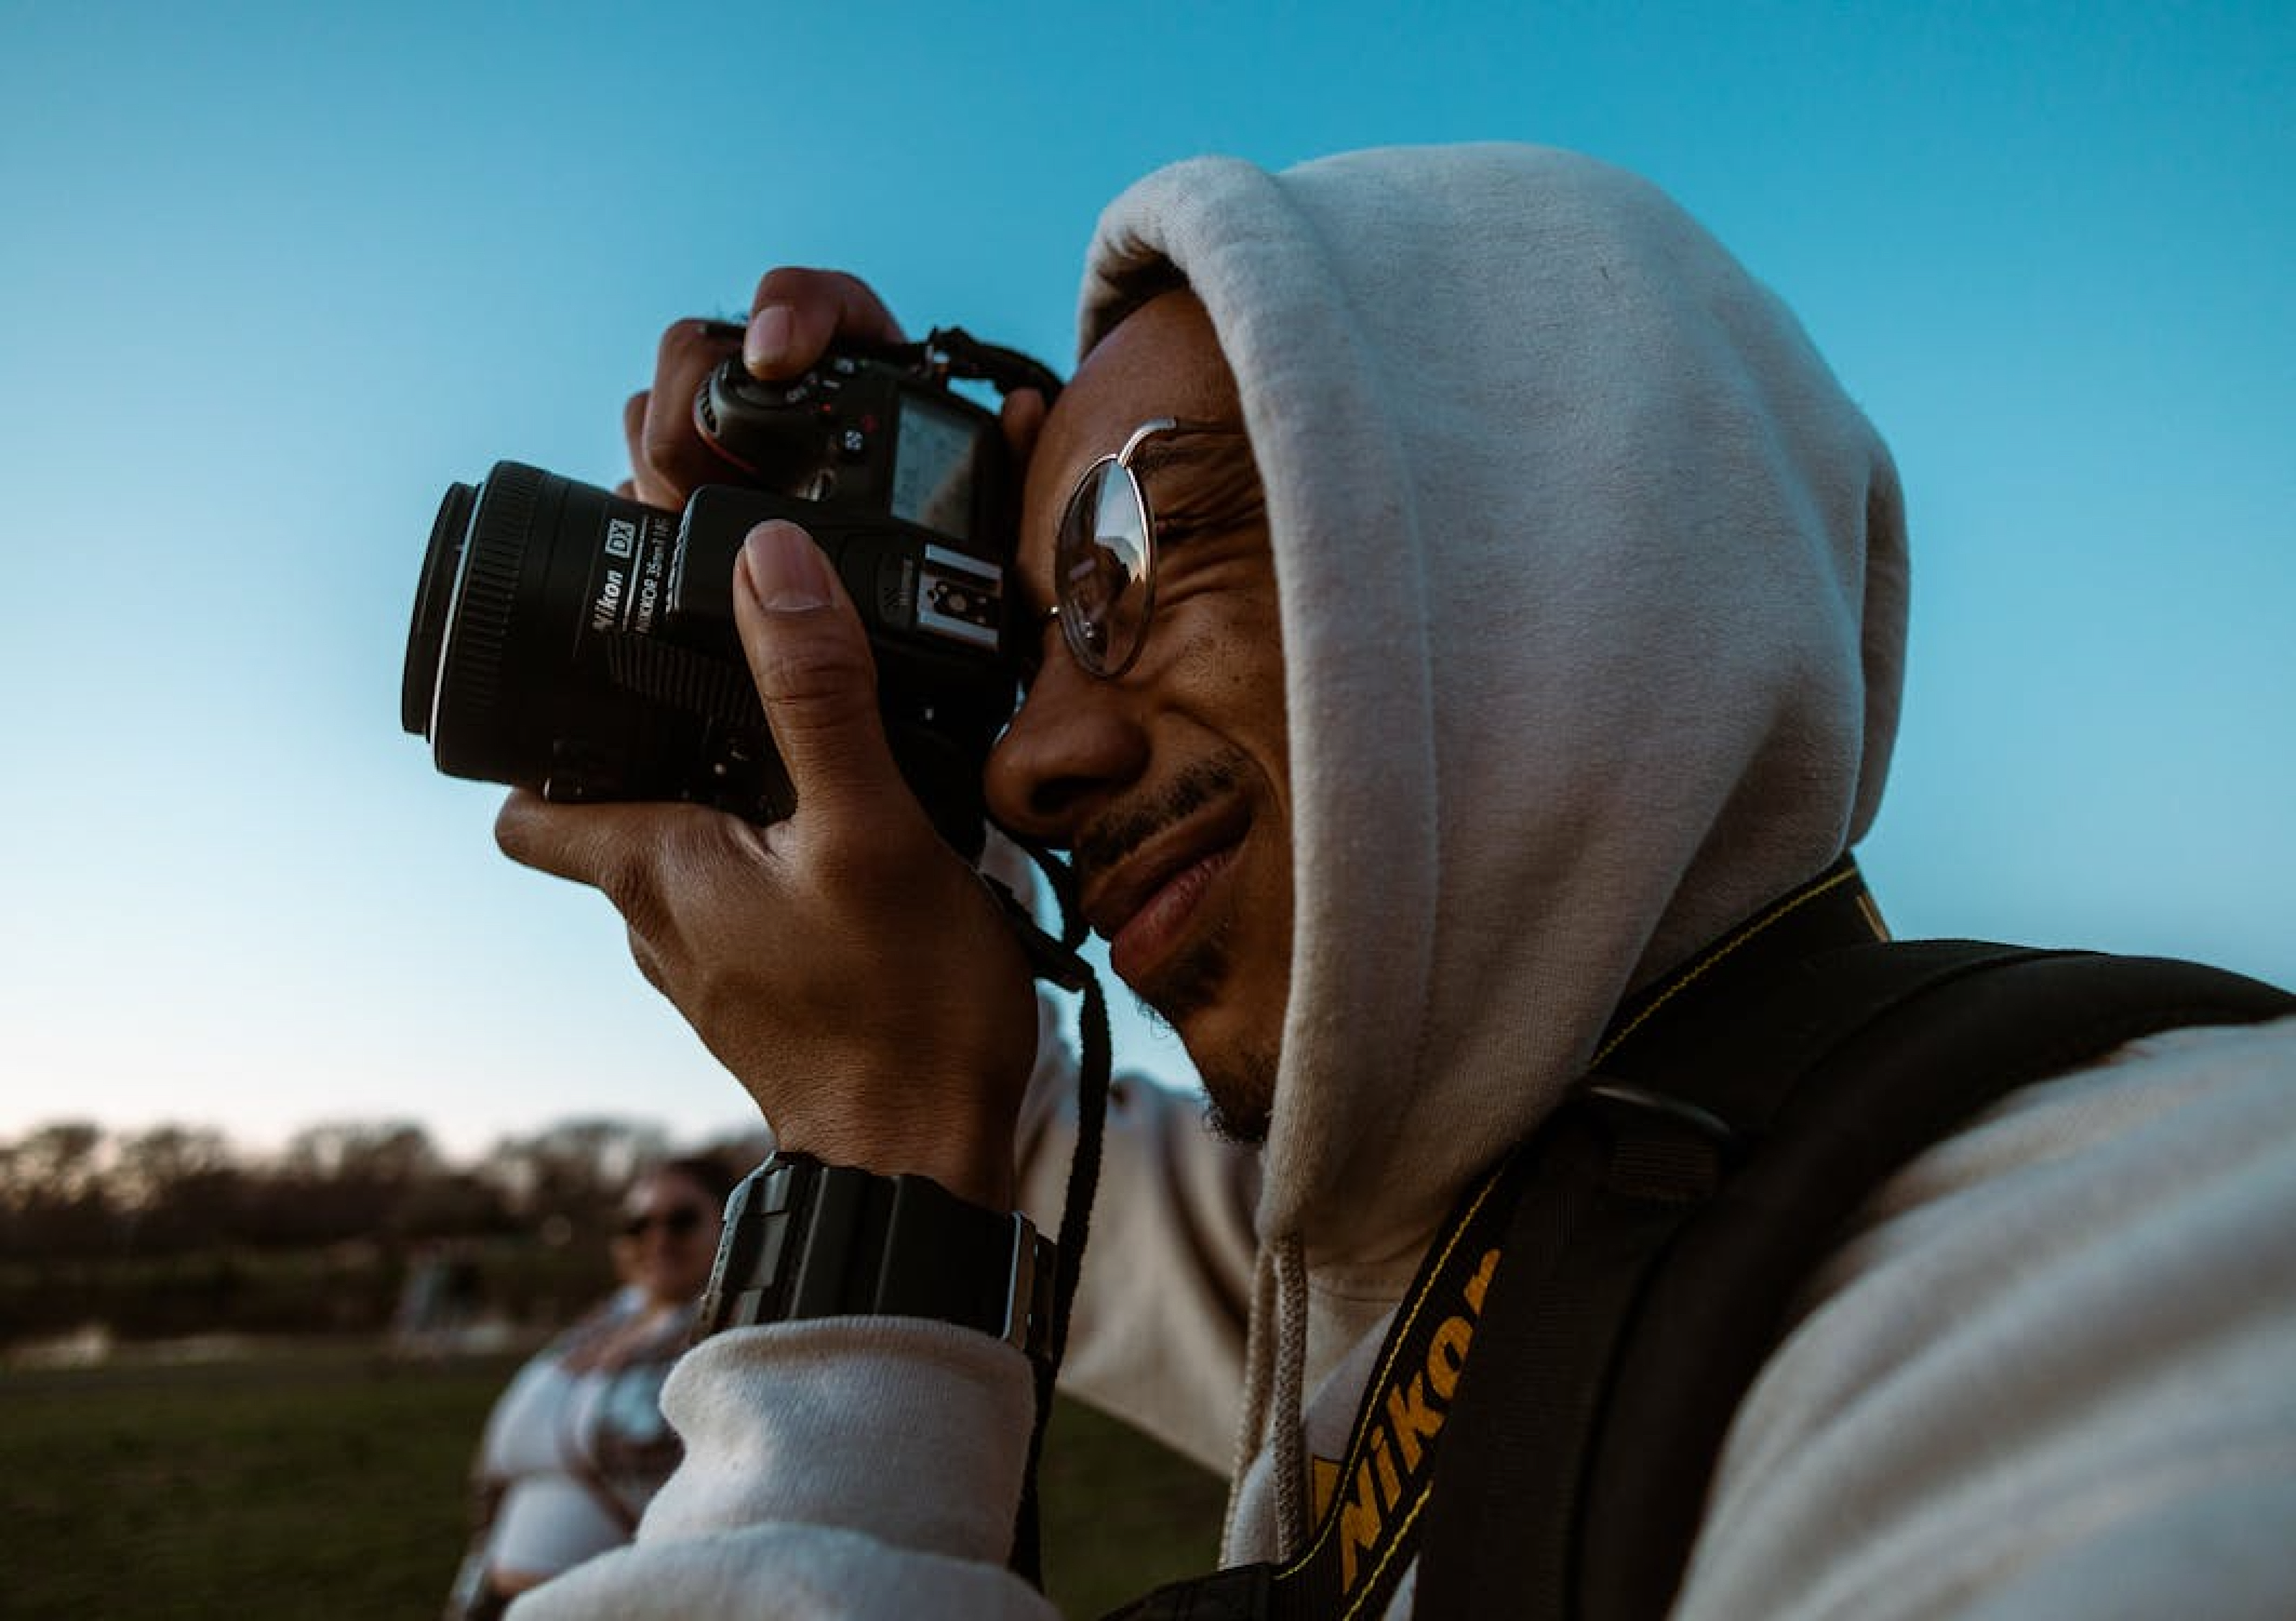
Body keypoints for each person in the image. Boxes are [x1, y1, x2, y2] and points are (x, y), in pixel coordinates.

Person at [490, 144, 2296, 1617]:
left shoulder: (2120, 1268)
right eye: (1022, 650)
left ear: (1537, 510)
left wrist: (875, 1150)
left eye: (1124, 553)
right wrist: (838, 734)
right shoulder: (1405, 1243)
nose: (1031, 764)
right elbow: (1023, 1139)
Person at [446, 1153, 736, 1619]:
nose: (657, 1239)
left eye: (681, 1220)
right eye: (638, 1224)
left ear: (730, 1223)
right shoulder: (607, 1318)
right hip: (496, 1597)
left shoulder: (729, 1338)